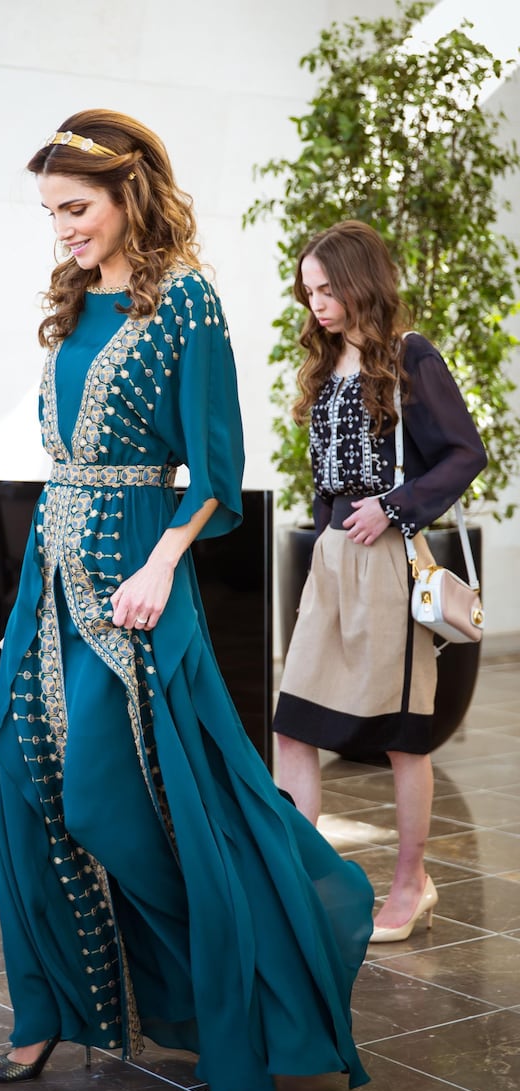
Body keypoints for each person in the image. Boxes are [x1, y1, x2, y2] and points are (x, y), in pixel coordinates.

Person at [0, 111, 374, 1091]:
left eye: (76, 208)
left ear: (127, 195)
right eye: (50, 212)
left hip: (137, 584)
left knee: (123, 802)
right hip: (51, 573)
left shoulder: (186, 303)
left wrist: (159, 565)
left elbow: (218, 472)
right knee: (23, 778)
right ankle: (43, 1019)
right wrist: (37, 588)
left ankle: (236, 989)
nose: (61, 228)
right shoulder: (70, 302)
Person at [273, 220, 487, 944]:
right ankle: (300, 881)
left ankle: (411, 882)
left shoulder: (410, 357)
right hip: (330, 566)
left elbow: (465, 452)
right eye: (309, 292)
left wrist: (394, 507)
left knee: (403, 738)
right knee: (293, 727)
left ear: (362, 281)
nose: (318, 304)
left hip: (389, 564)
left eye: (328, 288)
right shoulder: (327, 360)